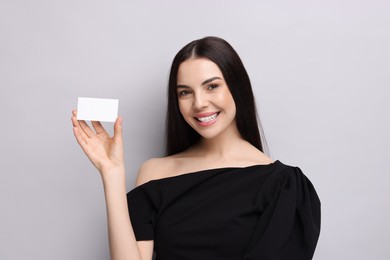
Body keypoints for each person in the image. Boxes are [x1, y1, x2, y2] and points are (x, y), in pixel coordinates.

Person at [71, 36, 321, 260]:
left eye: (212, 86)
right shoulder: (155, 173)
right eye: (185, 93)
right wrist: (112, 173)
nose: (199, 103)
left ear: (237, 87)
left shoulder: (284, 186)